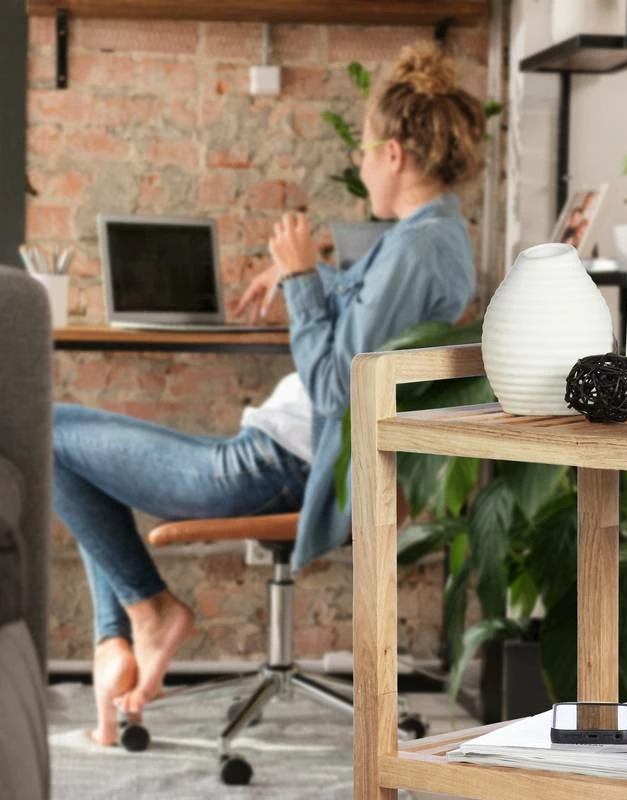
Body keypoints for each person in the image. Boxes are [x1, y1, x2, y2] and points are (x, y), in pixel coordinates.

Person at [52, 41, 485, 746]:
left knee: (43, 430)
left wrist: (303, 281)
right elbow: (364, 322)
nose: (359, 162)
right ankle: (133, 622)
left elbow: (337, 386)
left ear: (396, 154)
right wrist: (294, 276)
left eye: (366, 150)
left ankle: (141, 617)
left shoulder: (417, 248)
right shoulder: (427, 237)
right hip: (280, 457)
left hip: (281, 468)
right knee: (70, 446)